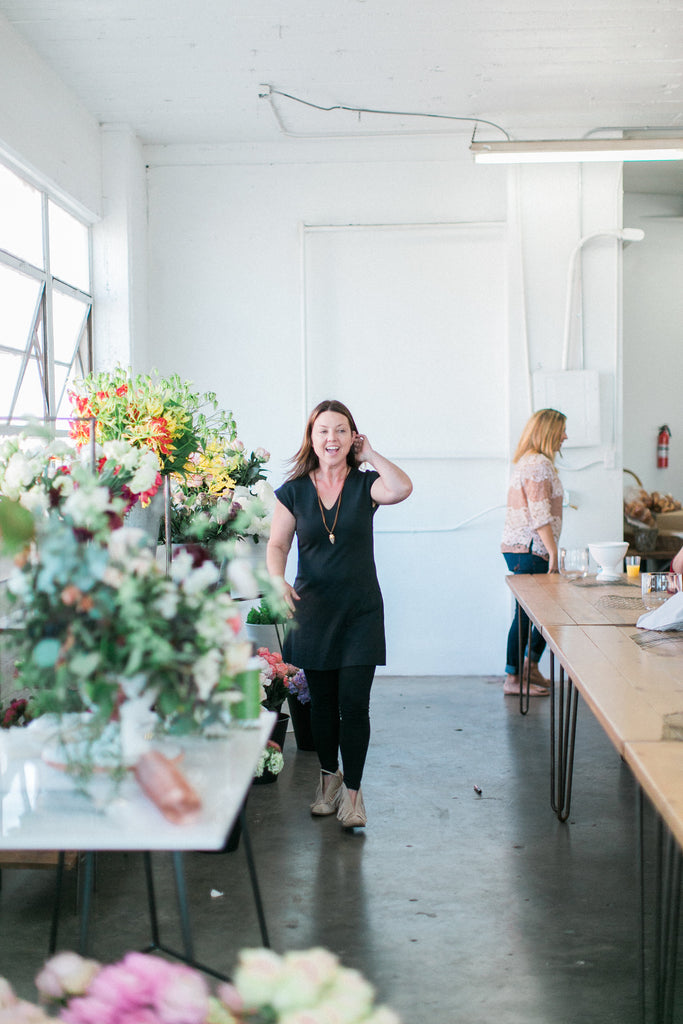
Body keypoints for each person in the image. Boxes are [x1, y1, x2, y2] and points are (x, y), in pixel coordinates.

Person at [266, 400, 412, 828]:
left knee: (355, 704)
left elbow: (401, 487)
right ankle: (328, 780)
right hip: (312, 610)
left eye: (341, 431)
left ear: (353, 438)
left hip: (360, 612)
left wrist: (371, 456)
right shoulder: (293, 491)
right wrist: (277, 579)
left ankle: (353, 795)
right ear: (311, 438)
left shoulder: (366, 485)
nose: (331, 438)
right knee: (323, 706)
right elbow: (277, 546)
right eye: (323, 431)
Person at [500, 408, 568, 697]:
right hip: (530, 551)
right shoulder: (538, 464)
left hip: (527, 550)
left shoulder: (532, 462)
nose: (565, 436)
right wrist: (553, 553)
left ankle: (529, 669)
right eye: (561, 430)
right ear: (548, 431)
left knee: (540, 613)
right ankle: (514, 679)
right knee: (527, 616)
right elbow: (539, 515)